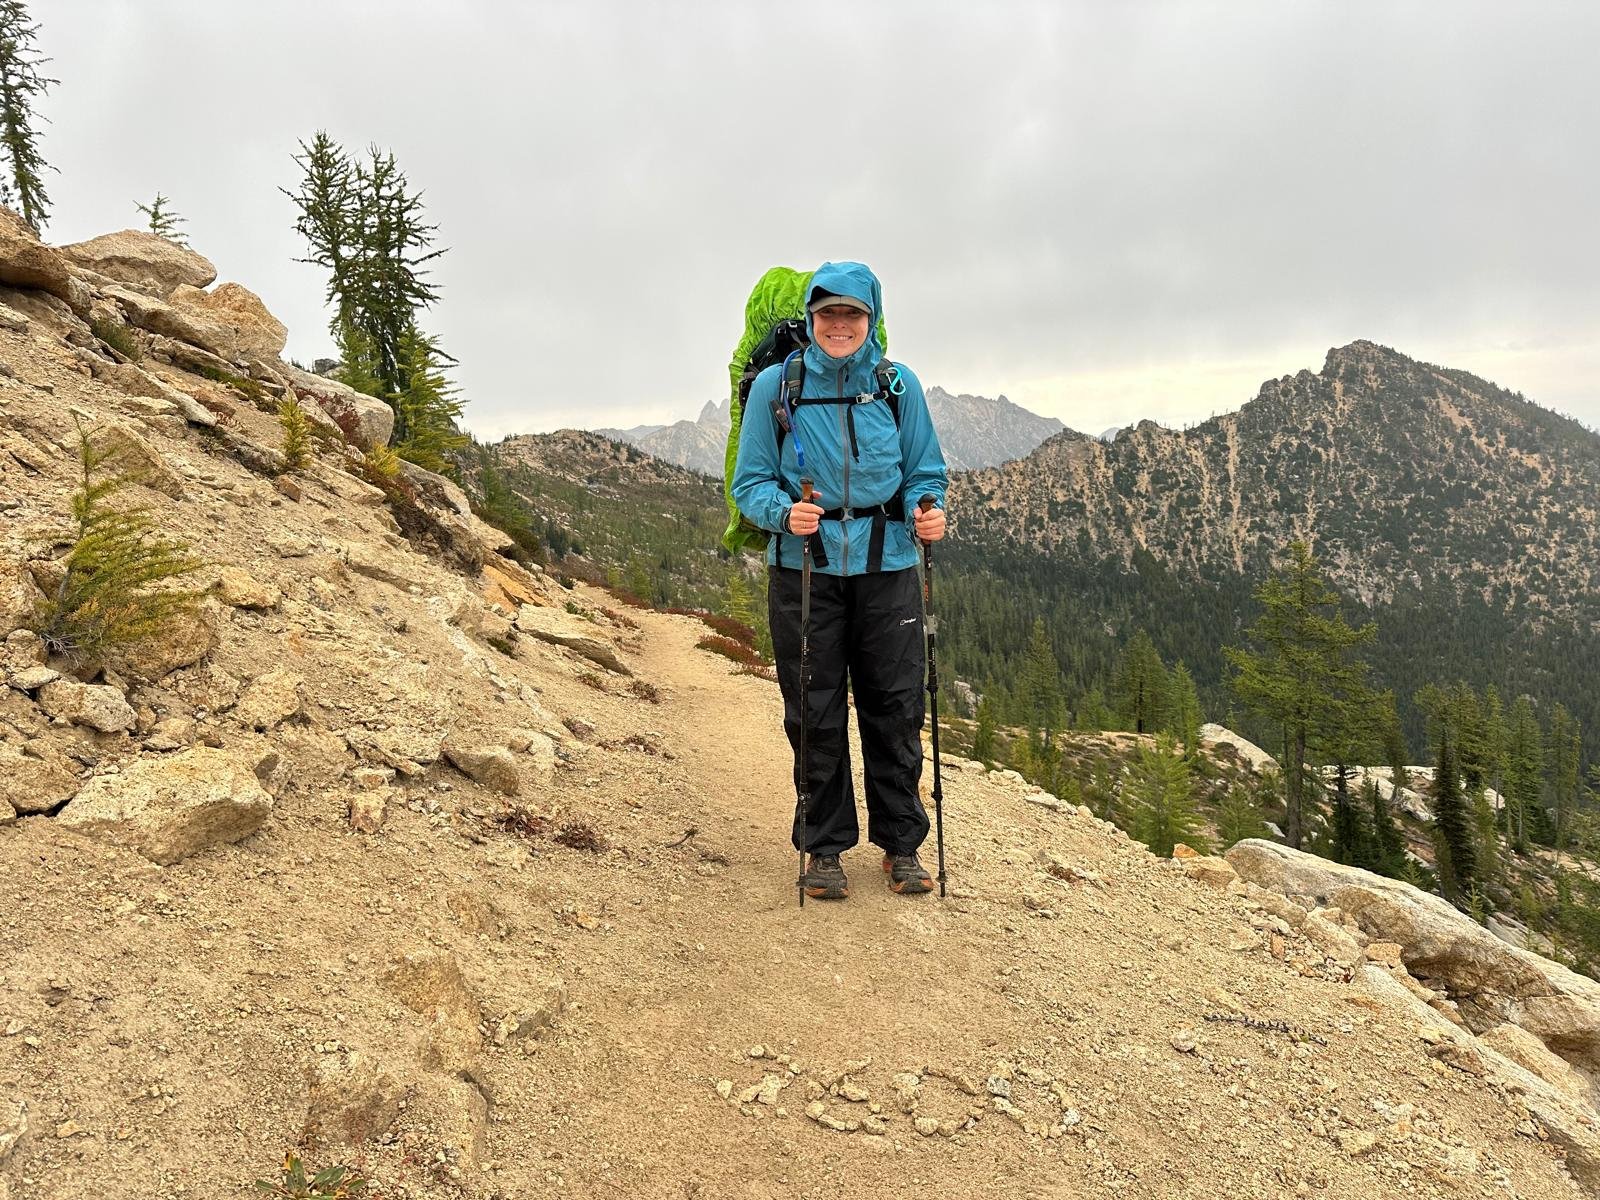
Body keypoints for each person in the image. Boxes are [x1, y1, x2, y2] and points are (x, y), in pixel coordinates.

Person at [732, 261, 948, 899]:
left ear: (871, 318)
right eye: (828, 313)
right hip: (806, 568)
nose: (840, 324)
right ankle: (823, 849)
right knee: (814, 707)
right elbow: (750, 483)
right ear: (810, 316)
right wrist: (783, 513)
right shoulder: (778, 385)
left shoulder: (897, 386)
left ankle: (902, 845)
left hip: (887, 566)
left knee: (896, 704)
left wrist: (925, 509)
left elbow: (924, 469)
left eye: (853, 313)